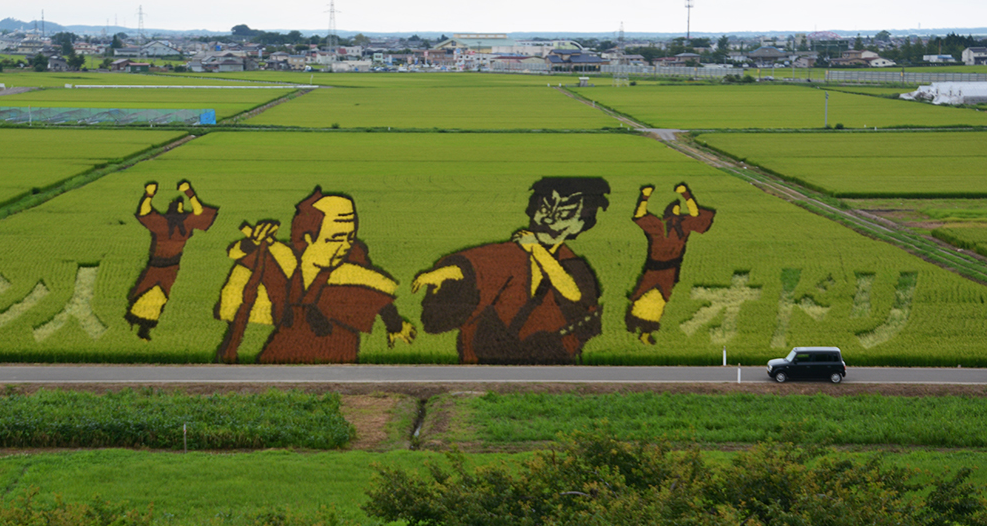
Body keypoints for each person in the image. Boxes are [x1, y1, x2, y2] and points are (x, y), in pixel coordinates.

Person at [412, 177, 610, 364]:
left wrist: (536, 248)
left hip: (549, 356)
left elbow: (574, 294)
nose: (550, 219)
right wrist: (446, 273)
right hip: (483, 356)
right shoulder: (509, 253)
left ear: (580, 225)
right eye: (545, 208)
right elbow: (477, 267)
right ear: (533, 209)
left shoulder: (572, 264)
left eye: (564, 214)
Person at [215, 187, 415, 363]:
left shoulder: (350, 264)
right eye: (336, 238)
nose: (345, 246)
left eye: (350, 237)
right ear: (309, 237)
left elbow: (373, 293)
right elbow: (238, 252)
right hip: (285, 346)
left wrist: (395, 324)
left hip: (337, 349)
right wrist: (255, 241)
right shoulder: (288, 259)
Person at [126, 180, 218, 340]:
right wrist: (149, 194)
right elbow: (144, 213)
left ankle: (145, 328)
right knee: (143, 293)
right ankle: (135, 323)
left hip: (171, 266)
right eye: (175, 204)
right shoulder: (163, 223)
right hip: (156, 264)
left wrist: (189, 191)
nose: (177, 206)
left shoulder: (186, 224)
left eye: (180, 205)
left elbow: (199, 211)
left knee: (160, 296)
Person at [625, 182, 715, 345]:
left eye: (678, 209)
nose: (677, 210)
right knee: (642, 298)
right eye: (674, 208)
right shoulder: (658, 227)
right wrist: (645, 196)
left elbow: (695, 214)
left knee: (660, 301)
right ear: (666, 214)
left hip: (670, 269)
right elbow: (640, 215)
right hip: (654, 267)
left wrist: (686, 193)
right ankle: (634, 325)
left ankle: (646, 332)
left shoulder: (683, 225)